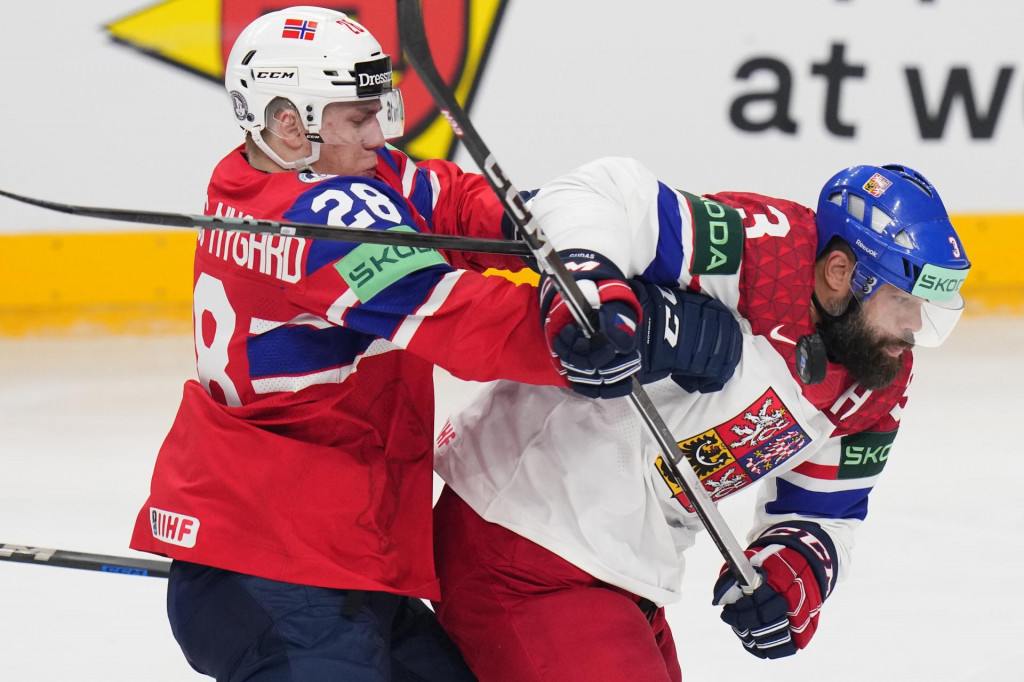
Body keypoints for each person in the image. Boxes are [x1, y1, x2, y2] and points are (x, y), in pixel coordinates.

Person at [129, 8, 645, 682]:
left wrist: (570, 240)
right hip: (273, 571)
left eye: (378, 112)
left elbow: (454, 203)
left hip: (337, 559)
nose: (379, 135)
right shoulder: (320, 219)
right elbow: (456, 316)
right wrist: (593, 327)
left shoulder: (286, 177)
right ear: (290, 122)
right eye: (357, 118)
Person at [430, 157, 971, 681]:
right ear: (839, 272)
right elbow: (604, 194)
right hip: (522, 537)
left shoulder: (875, 381)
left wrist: (792, 571)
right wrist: (594, 292)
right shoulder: (760, 255)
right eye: (903, 298)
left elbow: (825, 512)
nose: (913, 326)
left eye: (927, 307)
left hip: (625, 570)